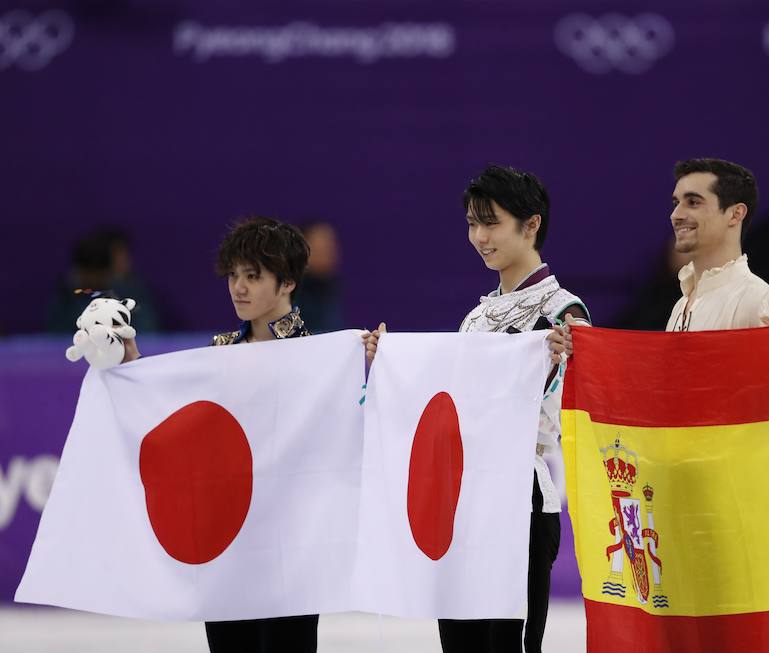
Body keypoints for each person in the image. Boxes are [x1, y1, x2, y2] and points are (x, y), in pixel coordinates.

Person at [365, 165, 585, 653]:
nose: (480, 237)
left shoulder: (565, 312)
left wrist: (553, 355)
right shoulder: (476, 316)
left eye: (492, 223)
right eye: (472, 223)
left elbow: (556, 395)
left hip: (519, 498)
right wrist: (392, 363)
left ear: (531, 225)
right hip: (461, 499)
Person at [124, 216, 318, 653]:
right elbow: (171, 416)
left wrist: (373, 364)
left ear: (287, 282)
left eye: (253, 276)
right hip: (226, 542)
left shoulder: (323, 356)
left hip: (292, 547)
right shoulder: (218, 353)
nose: (239, 287)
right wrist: (131, 366)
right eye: (233, 275)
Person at [559, 157, 769, 356]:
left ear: (735, 214)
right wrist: (586, 352)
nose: (676, 214)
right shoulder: (680, 308)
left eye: (693, 202)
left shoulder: (764, 302)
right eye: (676, 202)